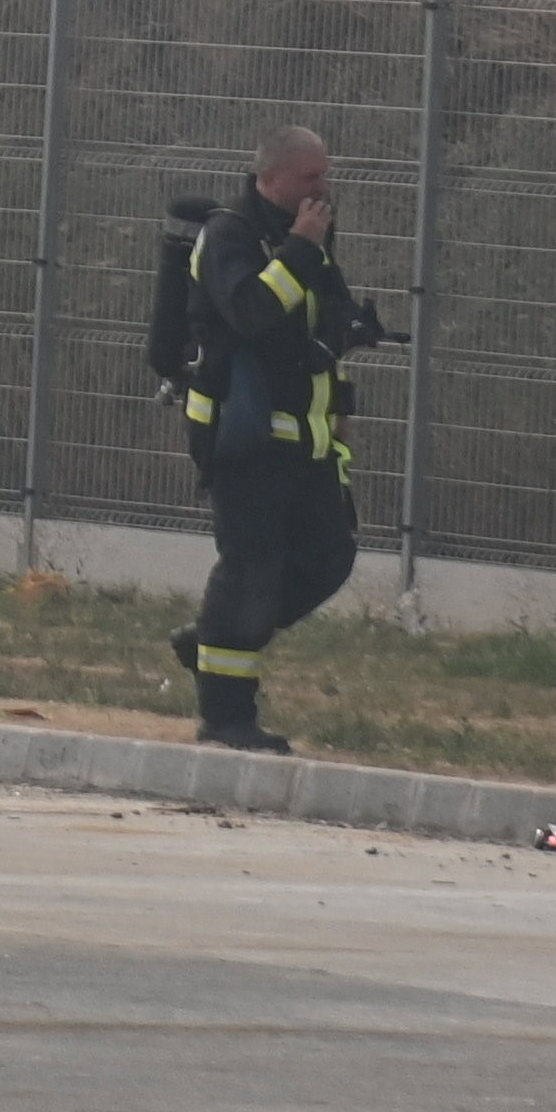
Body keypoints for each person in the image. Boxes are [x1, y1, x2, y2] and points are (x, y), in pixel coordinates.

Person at [176, 121, 381, 752]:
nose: (325, 187)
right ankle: (226, 718)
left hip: (311, 444)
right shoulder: (229, 236)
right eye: (311, 177)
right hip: (247, 442)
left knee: (328, 559)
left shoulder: (311, 235)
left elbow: (325, 310)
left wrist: (351, 323)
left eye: (326, 174)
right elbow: (251, 313)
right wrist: (299, 249)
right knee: (250, 572)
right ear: (271, 178)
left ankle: (208, 641)